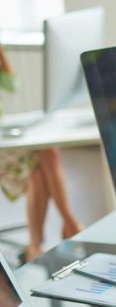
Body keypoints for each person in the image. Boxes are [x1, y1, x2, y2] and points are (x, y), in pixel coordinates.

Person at [0, 43, 83, 262]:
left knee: (47, 153)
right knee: (43, 161)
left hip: (4, 139)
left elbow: (11, 84)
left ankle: (36, 246)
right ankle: (70, 225)